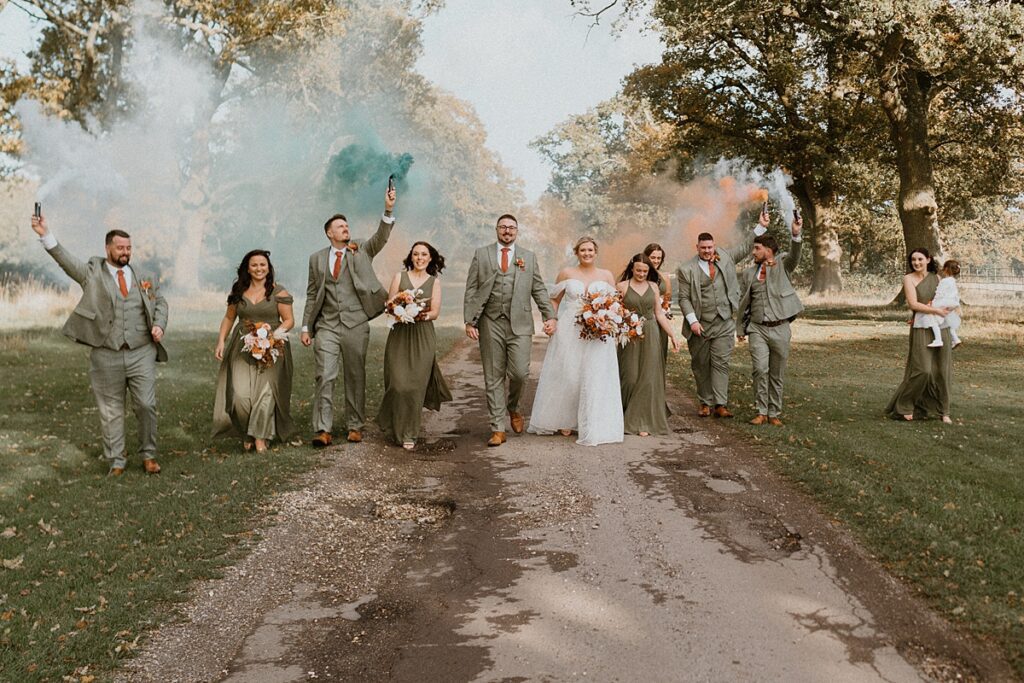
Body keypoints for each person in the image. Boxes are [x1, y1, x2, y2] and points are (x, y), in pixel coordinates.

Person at [30, 211, 168, 476]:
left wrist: (159, 324)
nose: (126, 252)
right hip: (106, 353)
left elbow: (159, 301)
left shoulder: (144, 274)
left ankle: (149, 455)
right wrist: (45, 234)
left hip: (141, 351)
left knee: (146, 405)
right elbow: (66, 261)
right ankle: (116, 460)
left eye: (129, 247)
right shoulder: (92, 272)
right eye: (120, 247)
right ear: (108, 248)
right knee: (111, 410)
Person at [301, 187, 397, 447]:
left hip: (356, 324)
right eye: (340, 226)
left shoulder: (361, 250)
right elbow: (312, 294)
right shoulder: (316, 259)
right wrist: (305, 327)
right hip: (327, 326)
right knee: (325, 375)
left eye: (346, 225)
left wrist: (388, 210)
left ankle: (355, 425)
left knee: (355, 375)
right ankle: (322, 428)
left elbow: (381, 237)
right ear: (329, 233)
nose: (345, 228)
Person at [464, 214, 557, 447]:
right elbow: (471, 289)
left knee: (520, 373)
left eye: (511, 228)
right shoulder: (481, 254)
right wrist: (469, 320)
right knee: (493, 376)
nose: (507, 231)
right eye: (503, 227)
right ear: (496, 229)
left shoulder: (528, 257)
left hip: (520, 322)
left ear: (517, 231)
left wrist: (550, 316)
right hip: (490, 322)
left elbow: (539, 289)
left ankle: (514, 407)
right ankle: (497, 427)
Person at [528, 237, 624, 446]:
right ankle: (566, 419)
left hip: (599, 332)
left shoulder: (606, 275)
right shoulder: (566, 273)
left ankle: (592, 420)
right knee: (570, 373)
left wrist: (608, 321)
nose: (587, 253)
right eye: (583, 250)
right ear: (577, 252)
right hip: (570, 329)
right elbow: (554, 299)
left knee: (594, 374)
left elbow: (615, 303)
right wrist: (551, 319)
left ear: (595, 252)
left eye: (590, 250)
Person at [676, 212, 769, 418]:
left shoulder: (725, 257)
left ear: (714, 246)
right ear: (697, 248)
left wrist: (760, 226)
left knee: (721, 362)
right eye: (704, 248)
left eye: (710, 247)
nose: (708, 251)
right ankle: (704, 401)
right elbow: (683, 299)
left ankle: (720, 404)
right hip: (700, 323)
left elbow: (745, 248)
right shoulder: (685, 269)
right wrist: (692, 321)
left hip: (724, 321)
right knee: (701, 365)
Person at [212, 250, 295, 453]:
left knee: (266, 393)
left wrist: (272, 338)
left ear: (268, 267)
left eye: (263, 264)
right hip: (242, 347)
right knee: (240, 395)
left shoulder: (279, 292)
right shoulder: (239, 291)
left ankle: (260, 438)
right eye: (254, 265)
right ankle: (246, 431)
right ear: (247, 269)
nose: (259, 268)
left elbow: (289, 320)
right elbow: (229, 318)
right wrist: (221, 340)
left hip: (273, 347)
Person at [377, 242, 453, 450]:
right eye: (416, 254)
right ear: (411, 257)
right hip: (400, 335)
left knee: (414, 387)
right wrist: (400, 311)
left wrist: (418, 313)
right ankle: (394, 425)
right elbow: (389, 305)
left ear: (430, 258)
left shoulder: (434, 282)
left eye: (424, 254)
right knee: (398, 385)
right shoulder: (399, 278)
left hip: (422, 336)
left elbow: (435, 312)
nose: (420, 258)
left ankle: (409, 433)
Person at [736, 215, 803, 426]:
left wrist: (796, 234)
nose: (753, 252)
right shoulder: (748, 274)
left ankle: (774, 413)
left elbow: (795, 255)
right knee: (759, 369)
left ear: (768, 250)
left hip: (780, 328)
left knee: (777, 372)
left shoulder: (782, 264)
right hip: (757, 328)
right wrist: (740, 328)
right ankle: (761, 411)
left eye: (757, 248)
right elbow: (743, 302)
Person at [886, 248, 955, 423]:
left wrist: (943, 310)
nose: (916, 263)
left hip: (942, 326)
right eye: (913, 260)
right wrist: (935, 309)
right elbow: (914, 304)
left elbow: (949, 299)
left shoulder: (938, 278)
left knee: (941, 370)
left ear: (928, 259)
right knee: (922, 369)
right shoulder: (908, 279)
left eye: (920, 259)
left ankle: (943, 411)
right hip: (921, 327)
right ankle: (905, 405)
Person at [617, 254, 681, 436]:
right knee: (630, 377)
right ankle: (622, 415)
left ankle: (642, 421)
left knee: (648, 378)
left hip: (651, 333)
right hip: (630, 336)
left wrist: (672, 335)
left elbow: (659, 314)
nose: (642, 274)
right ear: (632, 268)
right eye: (638, 270)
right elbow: (616, 313)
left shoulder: (653, 287)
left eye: (645, 271)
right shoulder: (621, 287)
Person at [913, 259, 962, 348]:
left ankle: (938, 339)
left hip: (943, 301)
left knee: (933, 319)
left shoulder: (944, 281)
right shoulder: (953, 281)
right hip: (952, 302)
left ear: (946, 269)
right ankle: (955, 338)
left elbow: (939, 293)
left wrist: (932, 303)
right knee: (947, 321)